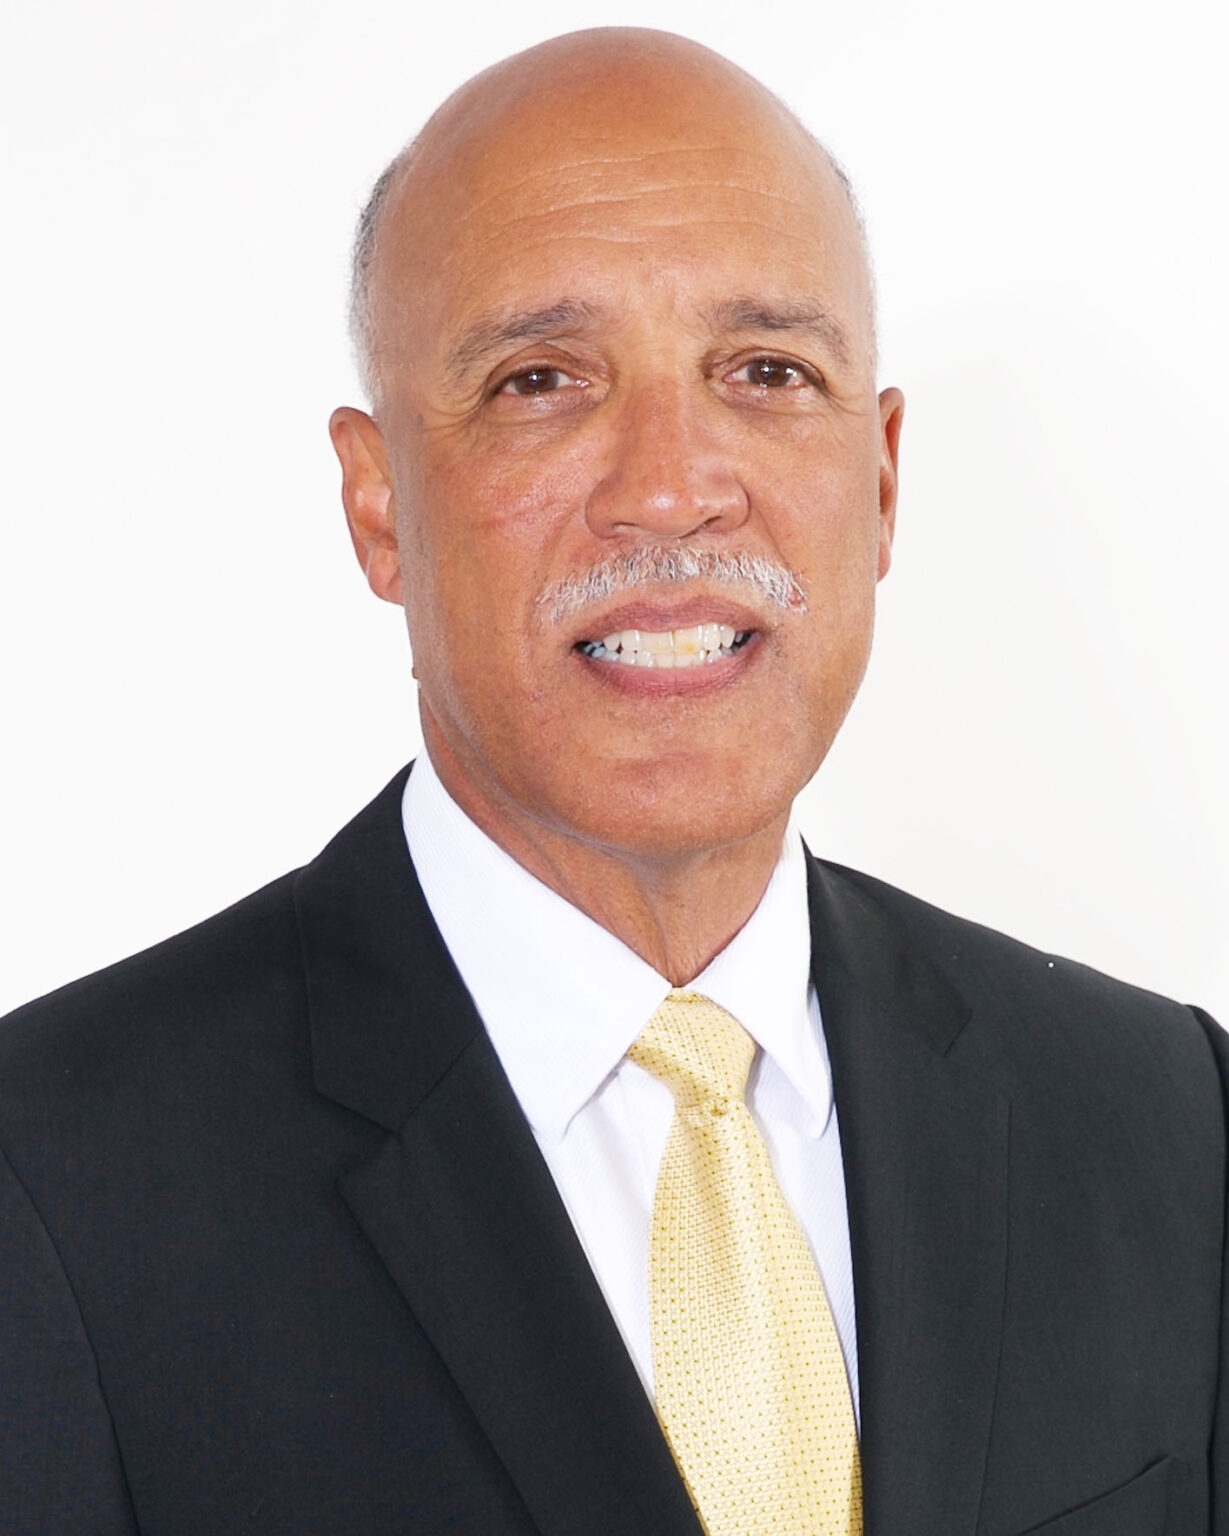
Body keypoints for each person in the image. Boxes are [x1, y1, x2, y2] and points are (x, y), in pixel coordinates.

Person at [0, 26, 1223, 1536]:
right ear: (378, 507)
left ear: (882, 477)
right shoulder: (51, 1191)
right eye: (540, 380)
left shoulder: (1162, 1121)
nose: (669, 487)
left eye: (766, 371)